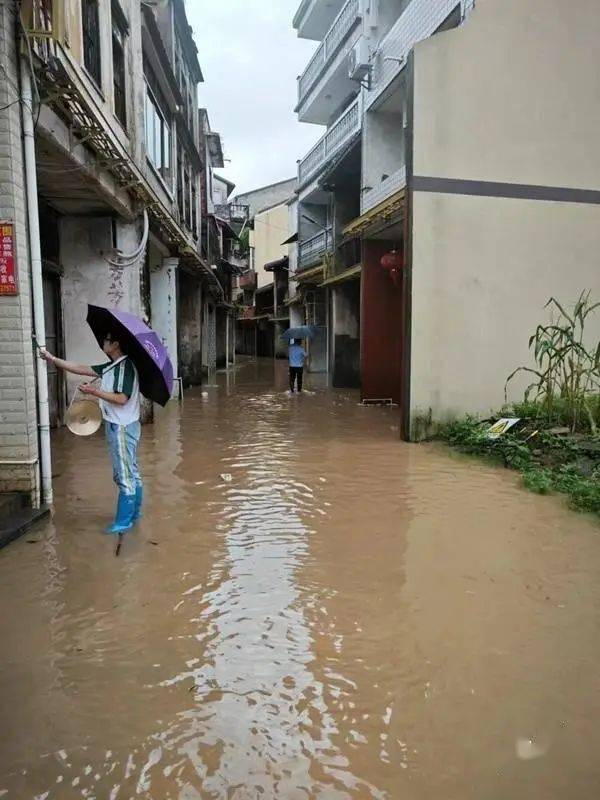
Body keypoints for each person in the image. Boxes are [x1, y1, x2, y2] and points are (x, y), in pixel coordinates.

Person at [41, 333, 143, 535]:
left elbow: (122, 398)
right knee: (131, 470)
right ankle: (134, 514)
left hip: (122, 426)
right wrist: (52, 359)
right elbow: (81, 368)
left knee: (124, 474)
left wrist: (93, 392)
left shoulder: (124, 367)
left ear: (115, 344)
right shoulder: (112, 366)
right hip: (121, 425)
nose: (102, 343)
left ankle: (124, 522)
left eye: (106, 340)